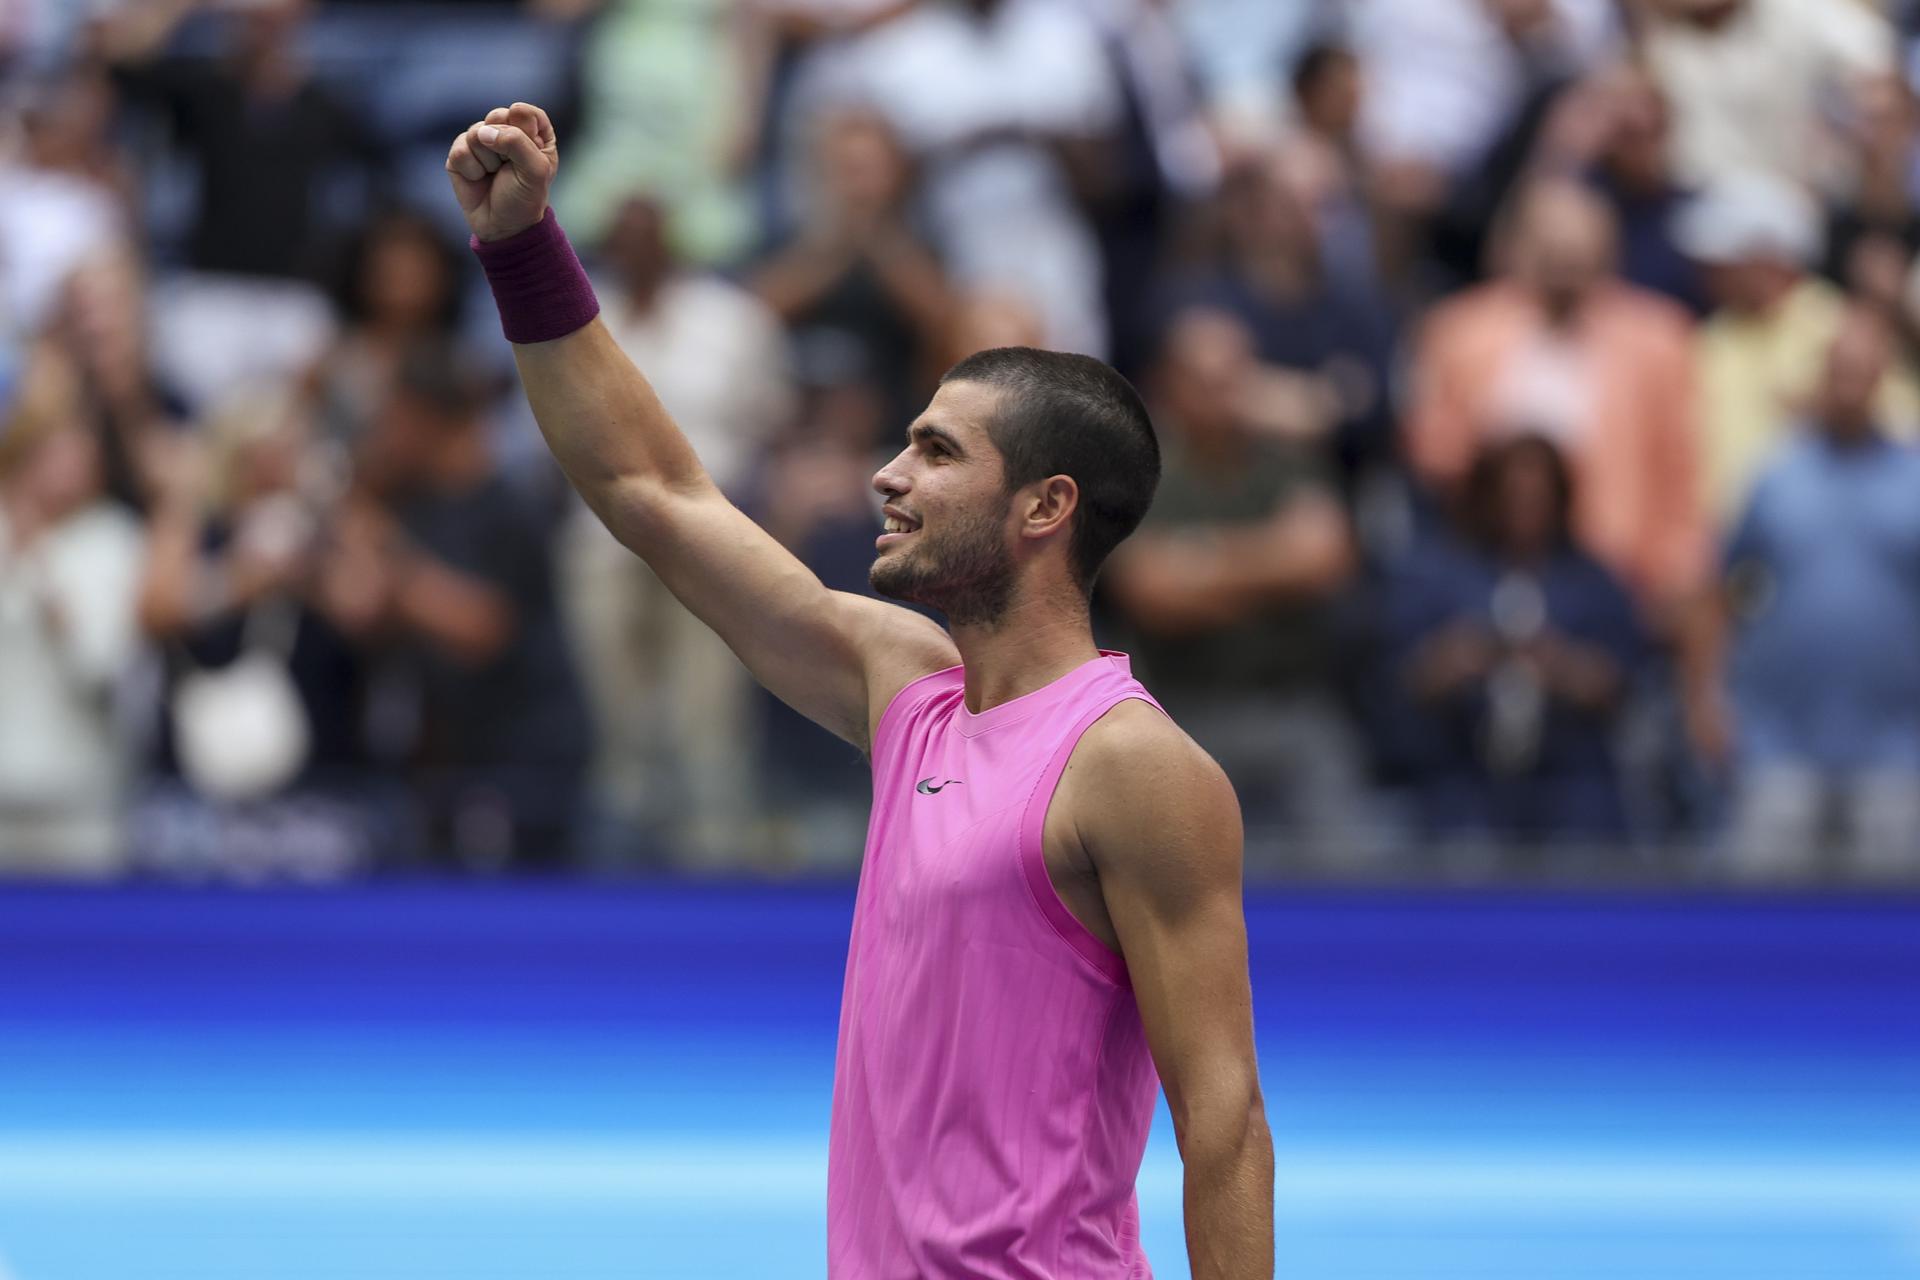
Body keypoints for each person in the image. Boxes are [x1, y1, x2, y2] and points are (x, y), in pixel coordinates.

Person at [448, 102, 1272, 1275]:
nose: (888, 473)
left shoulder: (1134, 766)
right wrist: (524, 247)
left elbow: (1225, 1121)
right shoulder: (907, 688)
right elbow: (651, 490)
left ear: (1046, 507)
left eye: (938, 451)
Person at [1717, 306, 1920, 881]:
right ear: (1821, 379)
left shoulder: (1916, 480)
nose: (1849, 388)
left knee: (1895, 930)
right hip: (1779, 741)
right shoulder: (1776, 477)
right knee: (1759, 920)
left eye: (1862, 374)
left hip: (1898, 746)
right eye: (1838, 373)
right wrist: (1711, 695)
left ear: (1882, 381)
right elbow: (1717, 587)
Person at [1386, 434, 1645, 857]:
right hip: (1463, 780)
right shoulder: (1440, 577)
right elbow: (1401, 679)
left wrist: (1561, 667)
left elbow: (1625, 683)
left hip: (1569, 784)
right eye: (1512, 498)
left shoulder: (1594, 582)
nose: (1524, 512)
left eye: (1537, 500)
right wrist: (1459, 658)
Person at [0, 345, 146, 877]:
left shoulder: (115, 540)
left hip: (80, 799)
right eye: (57, 452)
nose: (72, 468)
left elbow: (103, 667)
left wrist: (43, 573)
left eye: (83, 454)